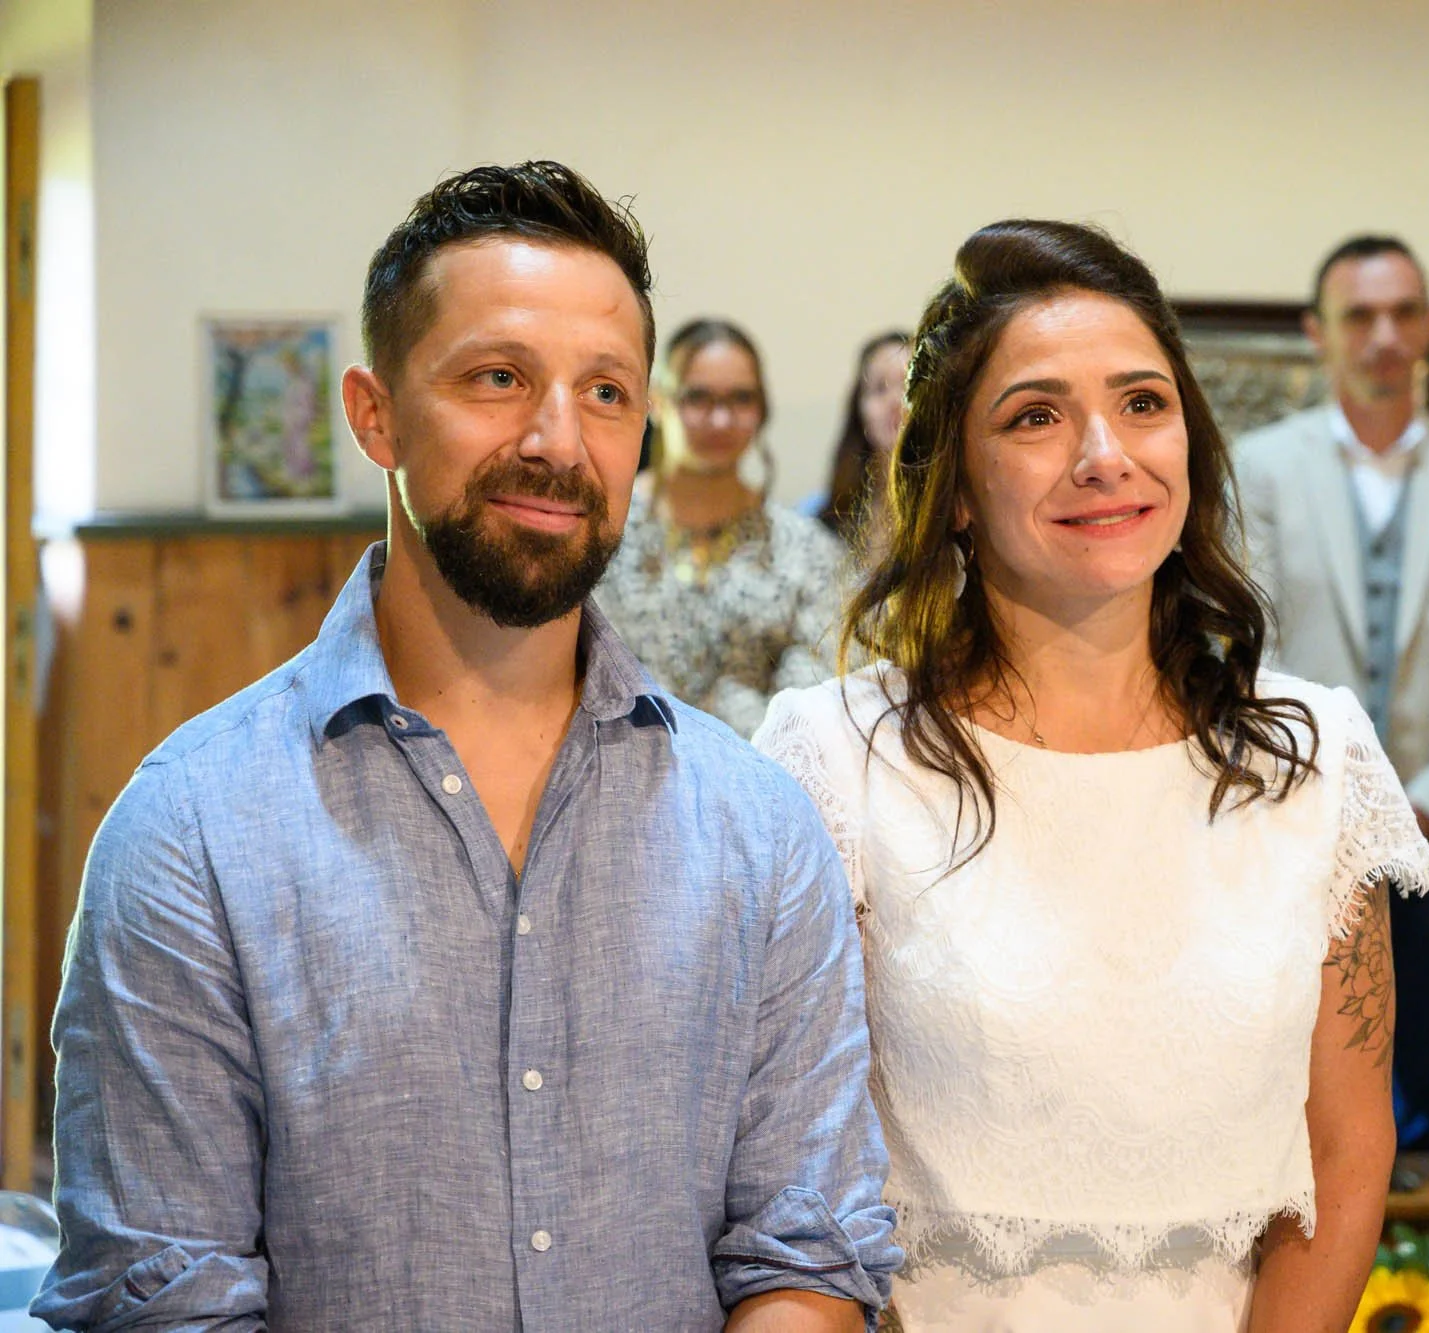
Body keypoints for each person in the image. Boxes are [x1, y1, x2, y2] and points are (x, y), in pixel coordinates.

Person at [33, 162, 898, 1331]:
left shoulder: (759, 830)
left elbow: (807, 1252)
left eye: (606, 392)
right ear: (374, 410)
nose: (557, 438)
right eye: (498, 377)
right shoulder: (189, 832)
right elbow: (163, 1298)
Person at [754, 218, 1429, 1331]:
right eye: (1034, 416)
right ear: (957, 486)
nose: (1103, 454)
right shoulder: (836, 757)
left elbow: (1346, 1151)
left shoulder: (1312, 761)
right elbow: (787, 1173)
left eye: (1141, 403)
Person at [1235, 234, 1429, 1152]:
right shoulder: (1263, 465)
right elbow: (1252, 642)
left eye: (1404, 313)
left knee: (1426, 1061)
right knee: (1296, 1064)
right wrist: (1325, 791)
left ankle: (1428, 1276)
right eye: (1359, 315)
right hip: (1298, 811)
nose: (1384, 335)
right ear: (1318, 332)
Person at [596, 318, 846, 737]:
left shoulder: (803, 550)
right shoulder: (602, 531)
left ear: (762, 409)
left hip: (759, 778)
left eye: (740, 399)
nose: (720, 420)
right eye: (698, 398)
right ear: (656, 401)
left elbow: (818, 703)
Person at [815, 331, 912, 556]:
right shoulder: (821, 520)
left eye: (909, 385)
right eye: (879, 388)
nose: (895, 401)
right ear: (858, 409)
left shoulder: (963, 510)